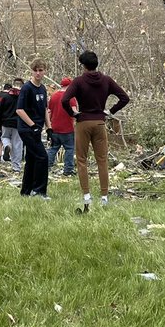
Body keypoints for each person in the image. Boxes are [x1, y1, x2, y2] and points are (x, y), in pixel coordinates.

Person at [62, 50, 130, 211]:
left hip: (83, 122)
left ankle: (87, 196)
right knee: (102, 160)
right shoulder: (106, 80)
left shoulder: (78, 81)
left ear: (83, 65)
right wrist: (110, 111)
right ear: (96, 63)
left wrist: (73, 113)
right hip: (100, 122)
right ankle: (104, 197)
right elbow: (124, 98)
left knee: (81, 160)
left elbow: (65, 100)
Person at [17, 58, 51, 197]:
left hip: (38, 128)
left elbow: (45, 109)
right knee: (42, 157)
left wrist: (49, 128)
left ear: (45, 71)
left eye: (40, 70)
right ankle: (39, 191)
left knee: (31, 159)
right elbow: (19, 110)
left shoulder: (42, 88)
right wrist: (33, 125)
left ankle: (26, 191)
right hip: (27, 128)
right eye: (35, 70)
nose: (38, 73)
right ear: (31, 71)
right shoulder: (26, 88)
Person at [47, 76, 76, 175]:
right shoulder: (71, 98)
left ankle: (46, 166)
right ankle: (68, 170)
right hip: (67, 128)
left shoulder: (54, 96)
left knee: (53, 148)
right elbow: (74, 112)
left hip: (54, 127)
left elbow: (49, 111)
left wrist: (48, 126)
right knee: (69, 149)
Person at [0, 79, 24, 170]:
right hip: (18, 124)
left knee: (5, 137)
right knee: (17, 144)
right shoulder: (22, 97)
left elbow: (0, 111)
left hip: (6, 122)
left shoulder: (6, 97)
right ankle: (16, 166)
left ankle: (7, 146)